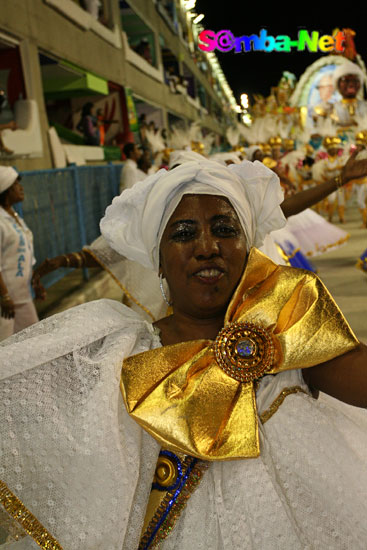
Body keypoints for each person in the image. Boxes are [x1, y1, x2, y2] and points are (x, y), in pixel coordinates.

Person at [1, 158, 367, 549]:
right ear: (157, 261)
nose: (207, 247)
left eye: (225, 230)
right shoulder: (119, 352)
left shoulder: (287, 330)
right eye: (183, 233)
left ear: (248, 248)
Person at [0, 167, 40, 341]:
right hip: (5, 300)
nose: (21, 188)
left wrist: (35, 282)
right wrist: (4, 296)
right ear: (6, 189)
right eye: (16, 184)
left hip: (22, 296)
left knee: (34, 341)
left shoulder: (14, 216)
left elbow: (26, 255)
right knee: (5, 345)